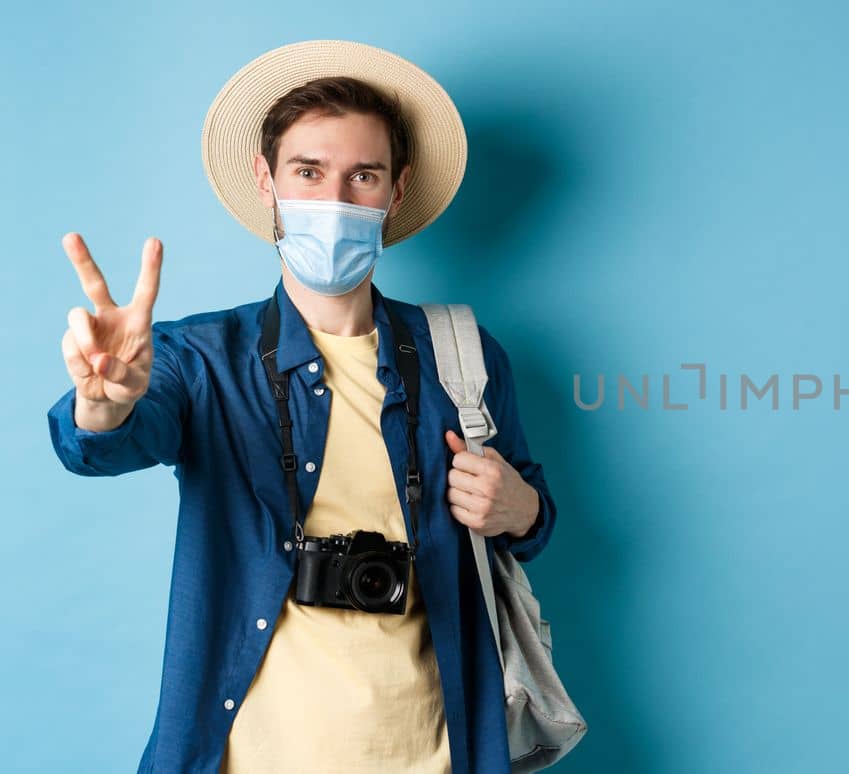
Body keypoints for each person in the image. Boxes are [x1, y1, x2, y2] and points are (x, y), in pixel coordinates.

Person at [45, 40, 557, 773]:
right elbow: (100, 443)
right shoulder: (197, 358)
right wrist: (104, 402)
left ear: (397, 189)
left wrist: (521, 510)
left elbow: (535, 514)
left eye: (363, 176)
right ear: (267, 180)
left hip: (439, 753)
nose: (335, 202)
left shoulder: (464, 355)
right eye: (309, 173)